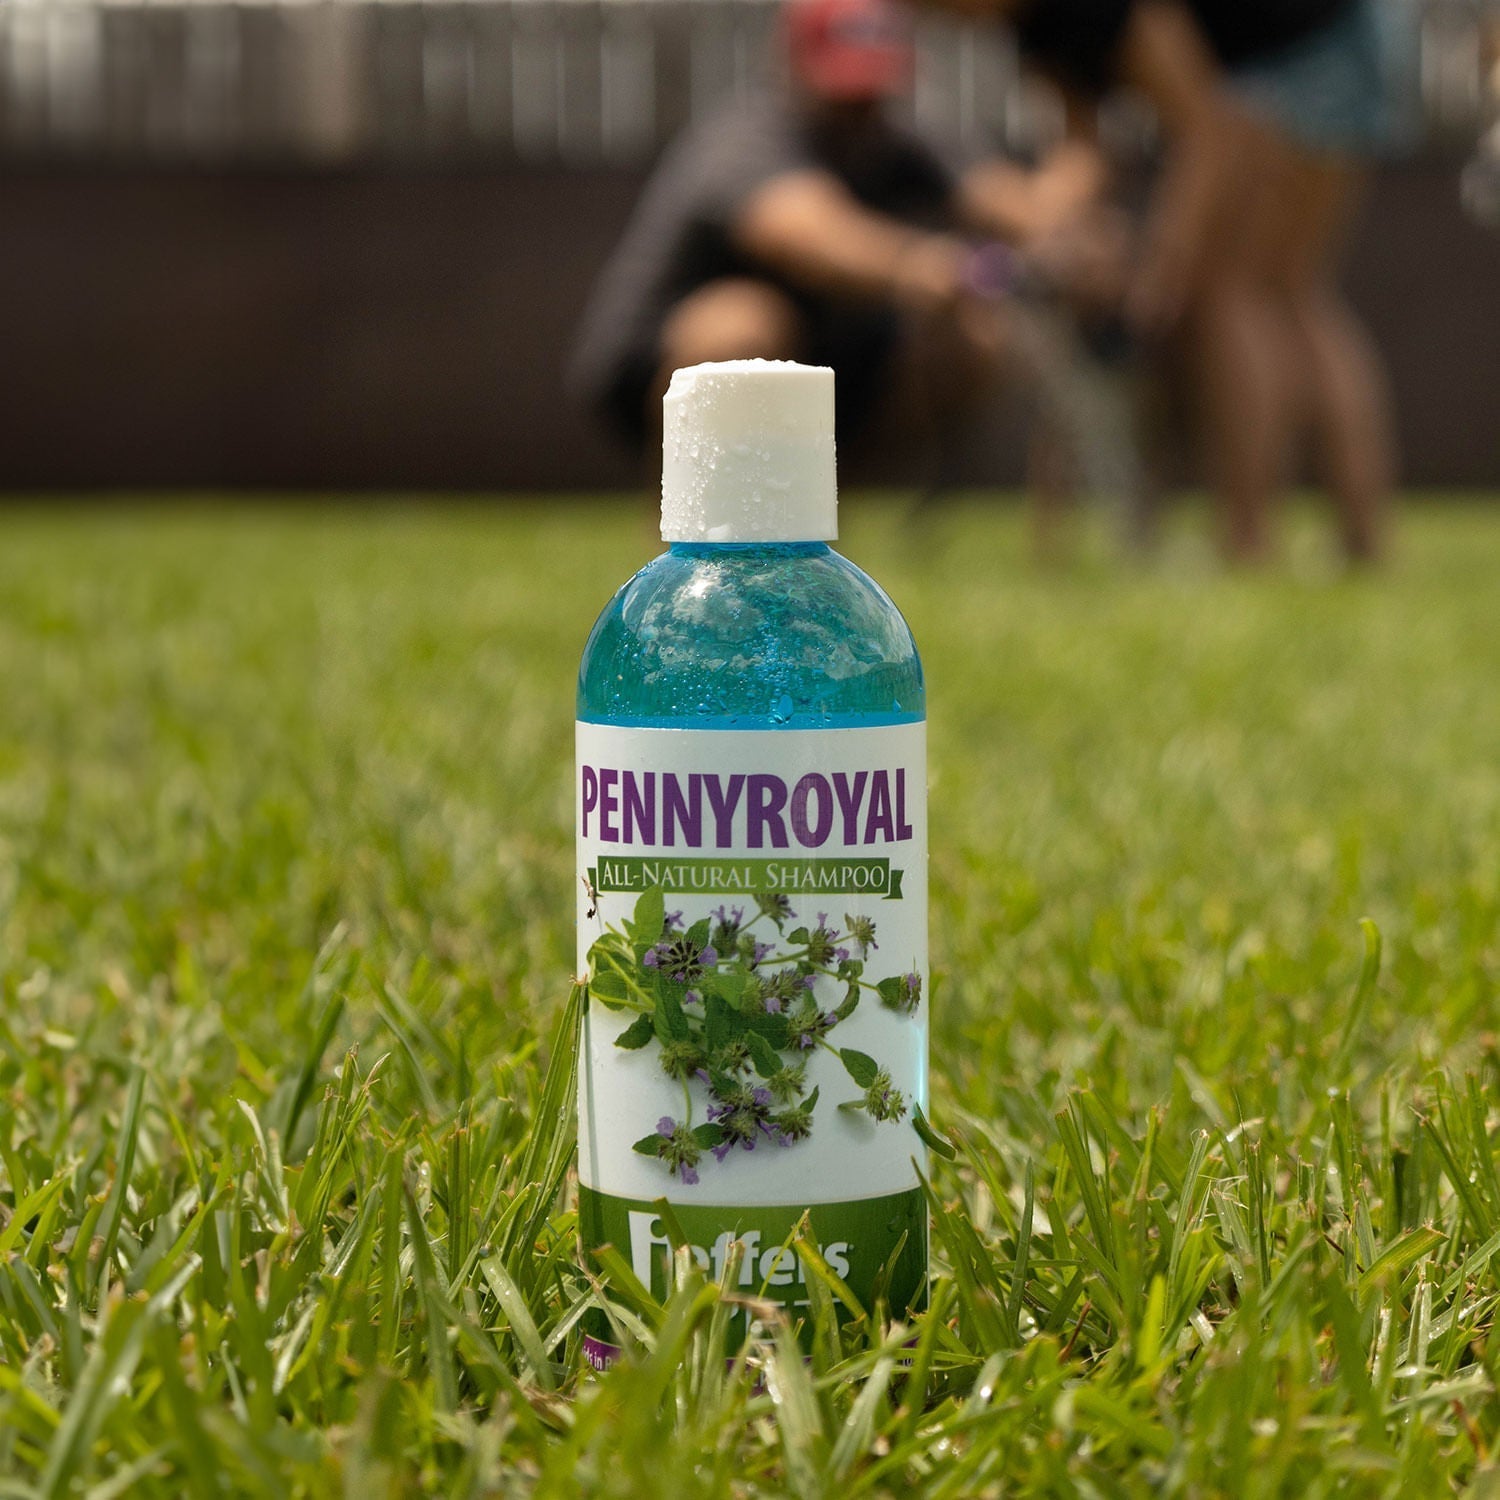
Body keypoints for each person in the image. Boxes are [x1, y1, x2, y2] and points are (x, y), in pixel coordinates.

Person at [911, 0, 1403, 563]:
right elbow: (1084, 146)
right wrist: (1045, 217)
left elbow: (1206, 133)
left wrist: (1163, 266)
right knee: (1289, 294)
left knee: (1240, 294)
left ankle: (1249, 542)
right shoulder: (1034, 30)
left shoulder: (1107, 9)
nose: (936, 21)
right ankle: (1355, 544)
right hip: (1322, 45)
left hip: (1304, 45)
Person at [569, 0, 1124, 473]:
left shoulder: (899, 133)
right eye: (843, 89)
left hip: (831, 354)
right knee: (742, 328)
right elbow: (808, 236)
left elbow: (1005, 199)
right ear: (792, 64)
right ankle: (685, 535)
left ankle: (829, 516)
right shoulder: (745, 139)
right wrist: (920, 264)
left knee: (972, 337)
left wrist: (1076, 235)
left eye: (873, 87)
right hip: (664, 368)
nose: (860, 108)